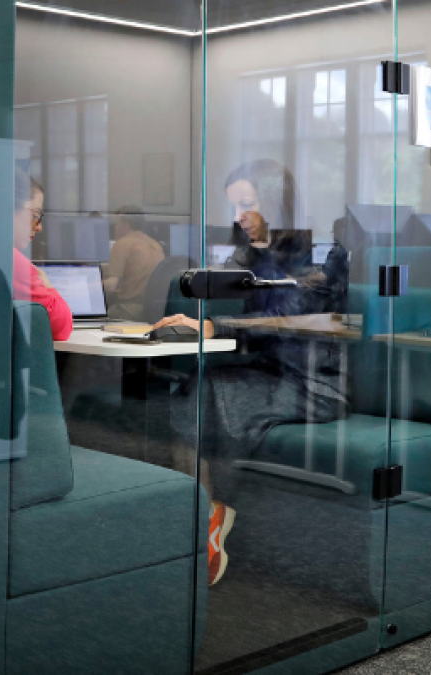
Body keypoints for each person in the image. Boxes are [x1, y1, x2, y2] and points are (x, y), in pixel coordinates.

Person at [151, 159, 348, 586]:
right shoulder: (253, 250)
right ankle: (202, 518)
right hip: (266, 371)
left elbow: (289, 315)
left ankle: (203, 524)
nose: (239, 215)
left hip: (312, 382)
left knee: (197, 393)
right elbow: (224, 283)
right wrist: (187, 309)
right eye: (234, 206)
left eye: (247, 204)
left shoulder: (318, 256)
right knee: (188, 389)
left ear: (274, 202)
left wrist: (213, 326)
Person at [13, 173, 72, 341]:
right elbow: (61, 327)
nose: (38, 228)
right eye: (35, 216)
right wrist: (48, 285)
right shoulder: (11, 262)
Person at [102, 207, 165, 320]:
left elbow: (111, 285)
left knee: (92, 317)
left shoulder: (123, 243)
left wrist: (86, 287)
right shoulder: (155, 245)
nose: (115, 228)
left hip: (127, 310)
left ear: (126, 225)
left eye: (117, 224)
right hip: (153, 311)